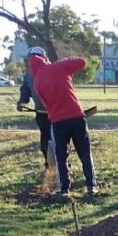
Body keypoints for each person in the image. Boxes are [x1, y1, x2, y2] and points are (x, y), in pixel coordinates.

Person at [26, 51, 98, 196]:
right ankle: (91, 186)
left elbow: (46, 104)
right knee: (84, 152)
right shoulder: (60, 66)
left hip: (58, 121)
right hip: (77, 116)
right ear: (45, 60)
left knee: (61, 156)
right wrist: (66, 64)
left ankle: (64, 189)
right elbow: (82, 62)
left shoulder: (37, 83)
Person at [16, 46, 53, 174]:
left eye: (38, 58)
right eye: (32, 59)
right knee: (45, 142)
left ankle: (63, 165)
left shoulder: (53, 71)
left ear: (45, 58)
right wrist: (21, 102)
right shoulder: (28, 76)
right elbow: (25, 92)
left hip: (58, 113)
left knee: (59, 140)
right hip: (42, 114)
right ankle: (49, 164)